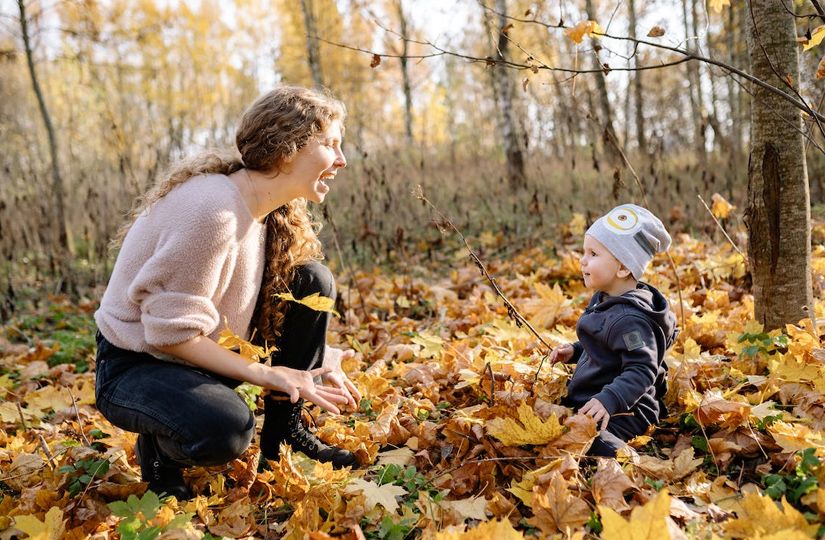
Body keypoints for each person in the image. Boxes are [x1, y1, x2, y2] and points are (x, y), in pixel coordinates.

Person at [94, 86, 362, 499]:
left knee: (311, 280)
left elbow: (239, 310)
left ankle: (281, 443)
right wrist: (269, 373)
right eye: (330, 144)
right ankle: (161, 454)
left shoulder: (267, 210)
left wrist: (317, 359)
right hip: (136, 366)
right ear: (287, 149)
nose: (341, 160)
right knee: (226, 428)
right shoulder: (214, 211)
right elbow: (169, 335)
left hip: (194, 355)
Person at [549, 204, 678, 457]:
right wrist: (575, 351)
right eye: (584, 252)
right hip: (597, 398)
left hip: (628, 408)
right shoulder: (605, 298)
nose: (582, 260)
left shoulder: (630, 321)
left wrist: (610, 399)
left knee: (591, 443)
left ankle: (631, 463)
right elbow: (606, 345)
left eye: (593, 254)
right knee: (563, 429)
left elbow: (642, 368)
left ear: (622, 268)